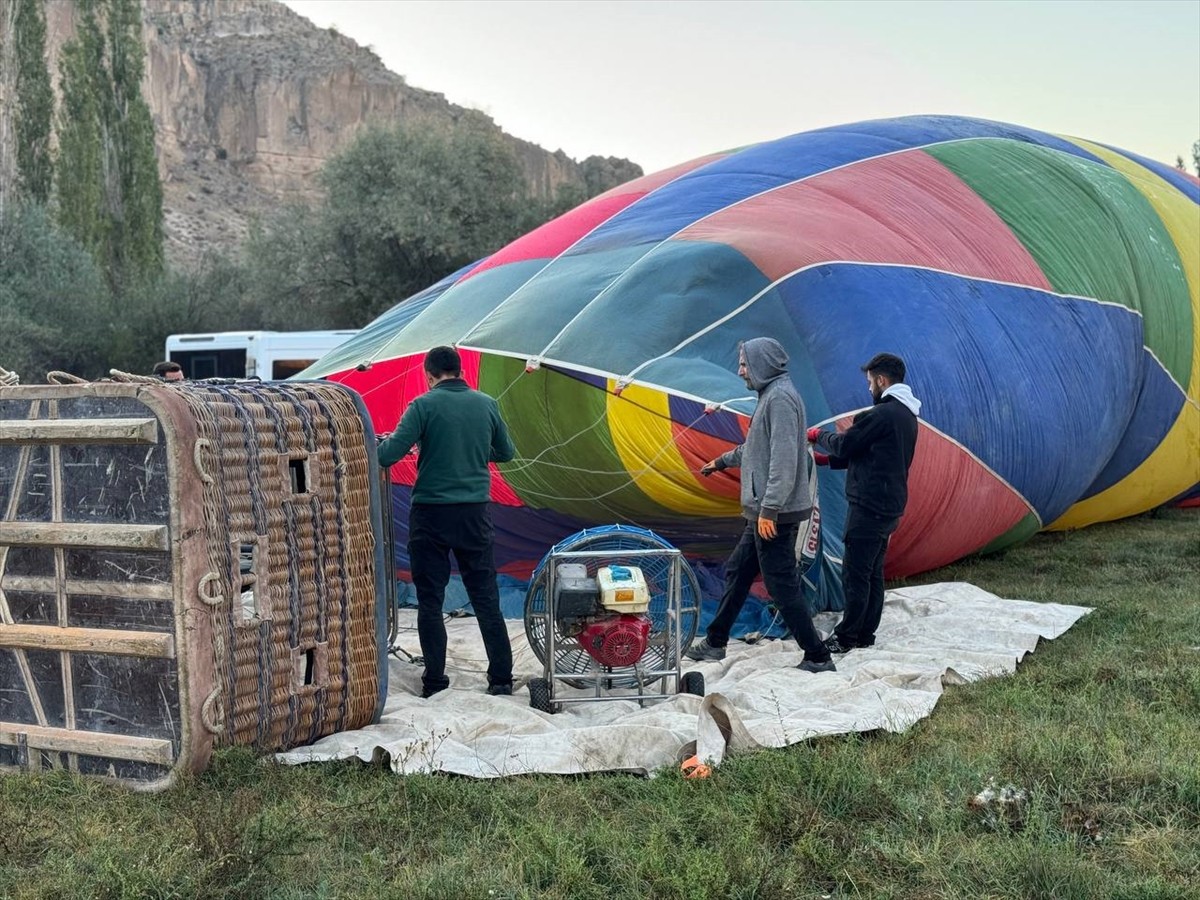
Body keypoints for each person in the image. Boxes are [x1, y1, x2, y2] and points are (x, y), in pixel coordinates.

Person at [686, 337, 836, 674]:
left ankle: (817, 655)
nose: (740, 372)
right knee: (739, 570)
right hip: (764, 512)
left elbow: (784, 459)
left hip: (774, 515)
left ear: (762, 364)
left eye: (744, 364)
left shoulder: (780, 399)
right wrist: (721, 462)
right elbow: (755, 449)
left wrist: (769, 509)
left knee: (781, 584)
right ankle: (715, 641)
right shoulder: (770, 397)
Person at [378, 346, 516, 698]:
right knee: (486, 599)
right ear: (460, 371)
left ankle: (435, 681)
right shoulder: (487, 404)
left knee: (430, 600)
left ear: (429, 375)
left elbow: (389, 454)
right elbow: (506, 452)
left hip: (432, 515)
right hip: (475, 513)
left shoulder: (422, 406)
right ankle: (501, 679)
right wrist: (469, 450)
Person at [807, 352, 920, 653]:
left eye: (870, 382)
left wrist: (818, 436)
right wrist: (826, 461)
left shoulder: (880, 414)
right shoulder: (906, 415)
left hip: (869, 506)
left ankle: (846, 637)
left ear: (882, 380)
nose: (869, 388)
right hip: (889, 504)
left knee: (855, 573)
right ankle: (865, 634)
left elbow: (847, 443)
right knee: (871, 572)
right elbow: (871, 456)